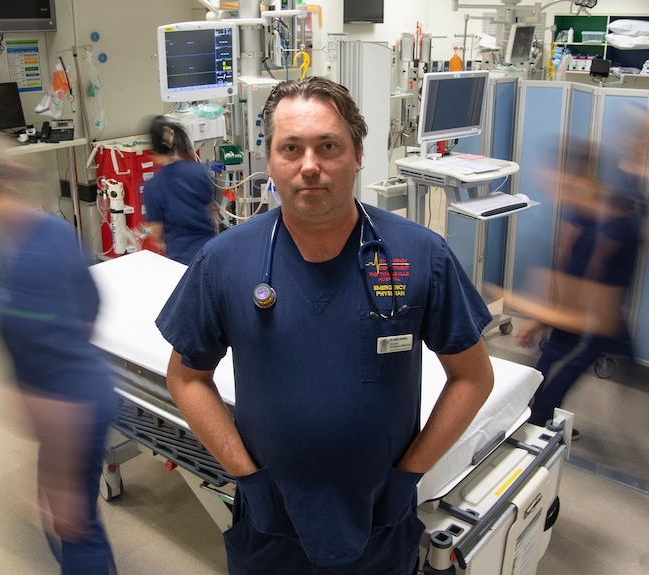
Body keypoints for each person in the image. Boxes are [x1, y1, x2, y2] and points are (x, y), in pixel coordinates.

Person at [155, 77, 494, 574]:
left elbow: (473, 376)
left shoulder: (420, 255)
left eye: (328, 146)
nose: (309, 166)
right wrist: (245, 476)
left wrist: (409, 474)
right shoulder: (224, 261)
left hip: (382, 517)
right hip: (271, 518)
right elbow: (186, 377)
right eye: (290, 147)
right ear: (270, 161)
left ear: (358, 155)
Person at [0, 127, 116, 575]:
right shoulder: (50, 231)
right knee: (74, 521)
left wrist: (52, 474)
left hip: (71, 410)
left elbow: (46, 363)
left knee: (72, 525)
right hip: (84, 395)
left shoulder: (22, 267)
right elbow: (91, 307)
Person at [511, 140, 646, 432]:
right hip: (587, 299)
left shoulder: (599, 204)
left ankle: (533, 410)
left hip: (592, 298)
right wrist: (552, 310)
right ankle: (537, 414)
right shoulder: (585, 208)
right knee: (567, 351)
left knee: (562, 351)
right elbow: (571, 257)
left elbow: (586, 256)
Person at [143, 116, 218, 264]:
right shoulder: (199, 171)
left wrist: (151, 236)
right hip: (210, 253)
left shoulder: (153, 187)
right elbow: (210, 210)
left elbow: (157, 235)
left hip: (181, 260)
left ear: (152, 151)